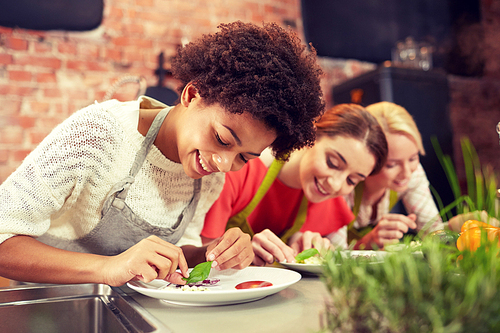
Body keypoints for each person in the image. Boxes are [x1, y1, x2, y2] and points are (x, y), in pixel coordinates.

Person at [0, 21, 325, 286]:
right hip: (47, 305)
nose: (223, 163)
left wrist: (212, 253)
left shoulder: (208, 176)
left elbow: (177, 252)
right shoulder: (100, 133)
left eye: (244, 157)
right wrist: (109, 268)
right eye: (223, 139)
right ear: (192, 94)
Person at [201, 104, 388, 266]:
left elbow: (337, 266)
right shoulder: (240, 168)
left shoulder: (331, 202)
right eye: (332, 163)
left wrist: (306, 248)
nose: (335, 184)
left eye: (352, 180)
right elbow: (198, 255)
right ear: (311, 137)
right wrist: (242, 253)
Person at [332, 101, 443, 250]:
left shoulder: (413, 172)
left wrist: (457, 228)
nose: (406, 173)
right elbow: (333, 257)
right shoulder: (343, 182)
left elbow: (433, 231)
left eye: (413, 158)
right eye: (392, 165)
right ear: (369, 161)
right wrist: (368, 242)